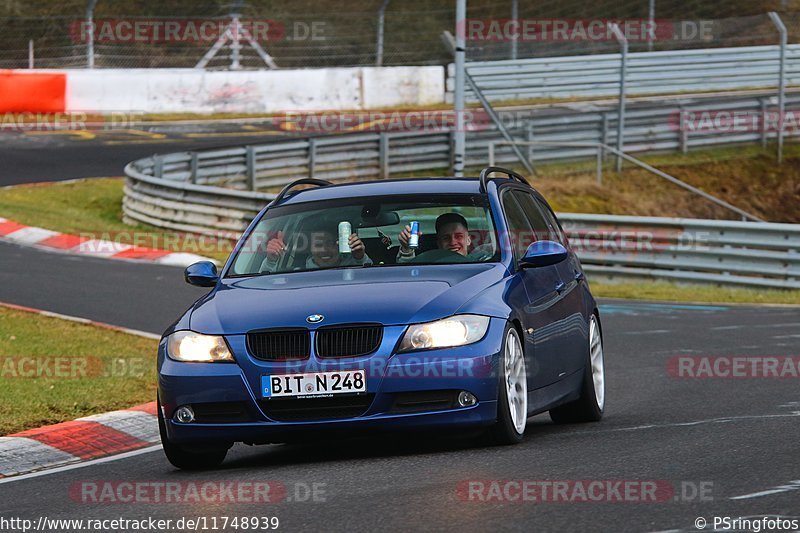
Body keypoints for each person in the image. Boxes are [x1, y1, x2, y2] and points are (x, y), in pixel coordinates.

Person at [261, 225, 372, 272]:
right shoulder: (296, 277)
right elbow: (263, 285)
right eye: (318, 245)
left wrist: (360, 258)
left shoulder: (356, 270)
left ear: (340, 245)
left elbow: (371, 279)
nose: (324, 249)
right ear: (310, 249)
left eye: (330, 243)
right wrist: (271, 261)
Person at [396, 212, 491, 263]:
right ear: (438, 243)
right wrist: (407, 250)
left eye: (458, 236)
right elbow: (409, 273)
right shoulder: (428, 266)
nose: (453, 242)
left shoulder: (483, 261)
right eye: (446, 238)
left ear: (469, 239)